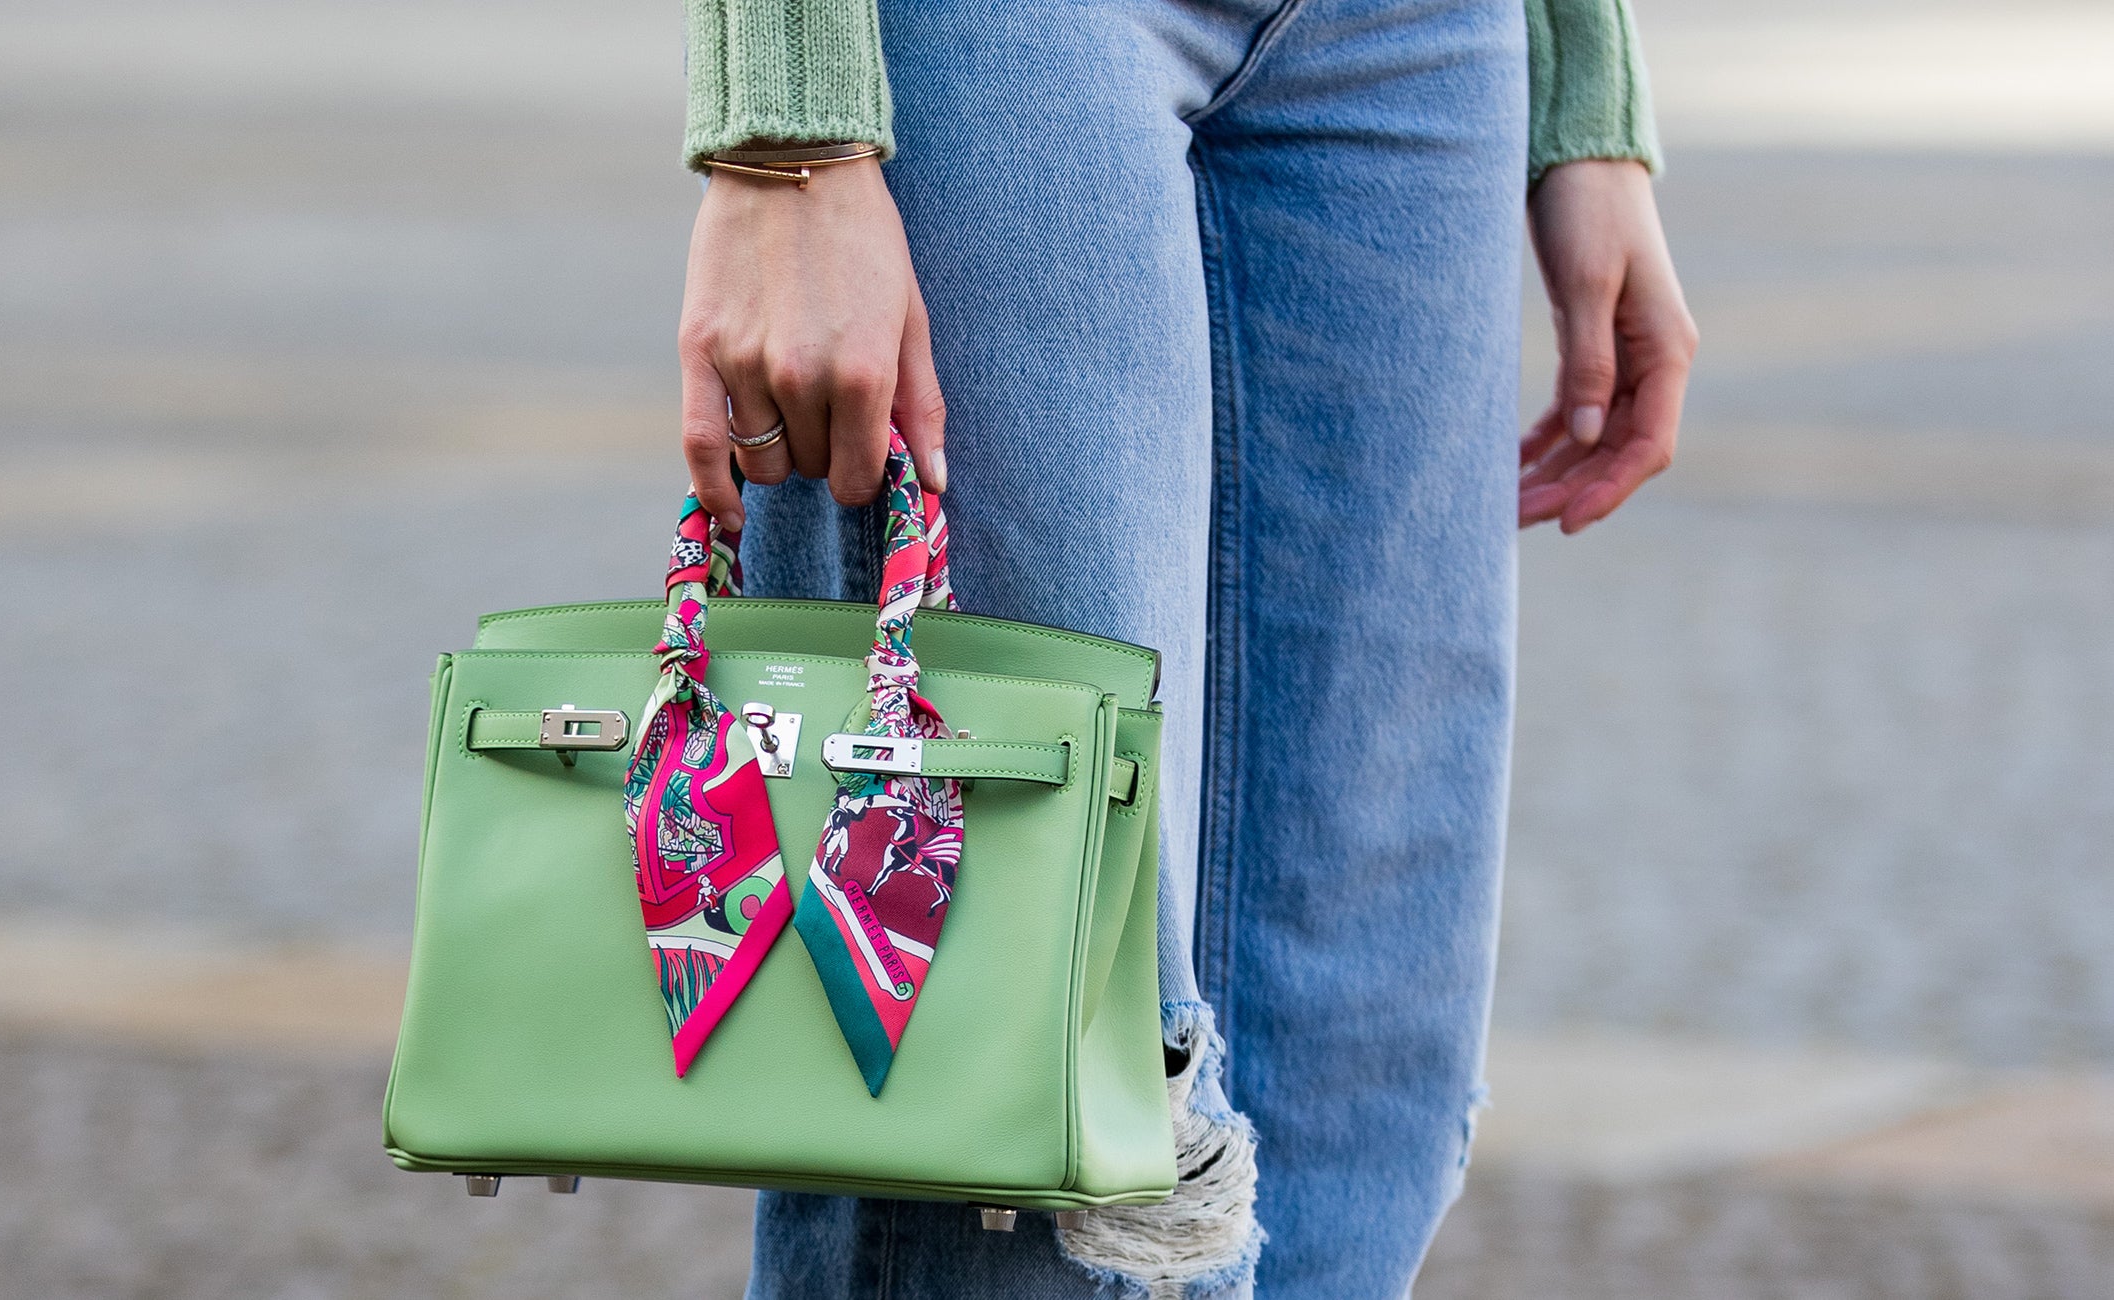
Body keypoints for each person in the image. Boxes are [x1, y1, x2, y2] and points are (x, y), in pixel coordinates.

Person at [672, 0, 1697, 1295]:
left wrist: (1584, 89)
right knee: (1016, 1022)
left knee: (1364, 1063)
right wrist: (787, 127)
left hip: (1422, 39)